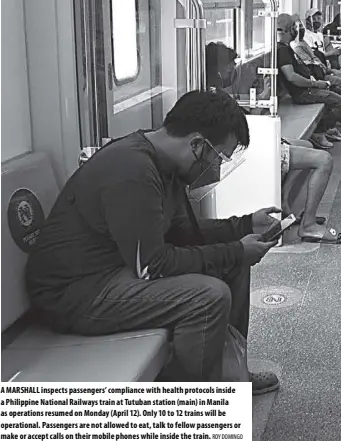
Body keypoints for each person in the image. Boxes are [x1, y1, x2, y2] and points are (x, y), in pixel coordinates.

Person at [25, 90, 283, 390]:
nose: (216, 167)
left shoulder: (166, 167)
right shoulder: (132, 170)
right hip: (75, 293)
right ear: (197, 144)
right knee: (208, 297)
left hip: (116, 270)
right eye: (218, 157)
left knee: (235, 266)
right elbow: (153, 265)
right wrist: (237, 250)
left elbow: (185, 234)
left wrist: (244, 225)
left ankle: (231, 372)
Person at [205, 42, 341, 244]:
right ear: (218, 66)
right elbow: (242, 129)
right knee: (324, 160)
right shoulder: (215, 95)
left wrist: (263, 99)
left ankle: (283, 203)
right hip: (247, 150)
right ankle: (308, 226)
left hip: (247, 141)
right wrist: (262, 103)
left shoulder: (215, 91)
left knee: (307, 146)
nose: (233, 68)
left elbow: (242, 124)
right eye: (229, 64)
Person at [276, 13, 341, 149]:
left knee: (339, 90)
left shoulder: (288, 48)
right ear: (287, 30)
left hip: (308, 86)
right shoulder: (282, 51)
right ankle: (319, 131)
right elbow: (292, 77)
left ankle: (325, 127)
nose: (298, 29)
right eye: (294, 26)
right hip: (304, 92)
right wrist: (316, 84)